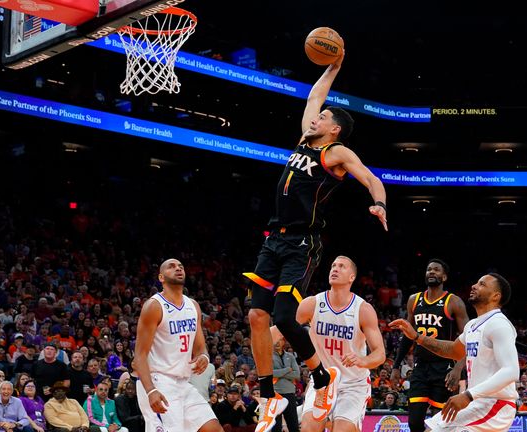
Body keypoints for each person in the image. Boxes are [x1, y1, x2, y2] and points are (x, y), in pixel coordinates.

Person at [243, 51, 388, 432]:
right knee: (256, 316)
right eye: (318, 116)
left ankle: (322, 380)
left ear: (335, 129)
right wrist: (335, 66)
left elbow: (372, 179)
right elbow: (313, 97)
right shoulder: (305, 139)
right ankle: (266, 393)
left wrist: (378, 204)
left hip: (302, 244)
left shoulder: (335, 152)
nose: (316, 117)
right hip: (273, 239)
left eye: (324, 118)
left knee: (285, 317)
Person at [270, 256, 386, 432]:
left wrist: (362, 360)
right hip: (322, 380)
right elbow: (277, 332)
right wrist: (259, 335)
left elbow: (380, 354)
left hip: (353, 384)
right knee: (309, 428)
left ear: (352, 277)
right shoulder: (312, 304)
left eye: (341, 266)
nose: (335, 269)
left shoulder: (363, 309)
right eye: (333, 265)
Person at [390, 273, 517, 432]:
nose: (474, 286)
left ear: (496, 296)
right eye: (477, 282)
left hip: (495, 405)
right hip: (478, 402)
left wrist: (468, 395)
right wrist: (416, 336)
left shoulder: (499, 324)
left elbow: (511, 371)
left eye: (482, 284)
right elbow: (453, 350)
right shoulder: (473, 325)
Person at [134, 258, 223, 432]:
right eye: (172, 267)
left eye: (181, 266)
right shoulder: (154, 306)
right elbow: (140, 355)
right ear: (161, 277)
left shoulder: (193, 306)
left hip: (184, 382)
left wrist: (203, 356)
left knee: (214, 428)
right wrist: (150, 391)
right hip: (159, 381)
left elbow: (199, 347)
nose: (178, 269)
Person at [393, 259, 469, 432]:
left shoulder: (453, 302)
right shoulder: (414, 300)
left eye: (436, 270)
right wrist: (396, 366)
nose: (432, 272)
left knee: (440, 424)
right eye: (429, 270)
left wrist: (458, 369)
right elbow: (407, 336)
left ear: (444, 277)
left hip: (444, 368)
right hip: (420, 368)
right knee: (414, 423)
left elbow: (469, 338)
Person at [272, 336, 300, 432]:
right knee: (276, 426)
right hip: (275, 394)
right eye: (274, 341)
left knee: (294, 425)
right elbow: (270, 373)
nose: (276, 343)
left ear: (283, 342)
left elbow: (296, 374)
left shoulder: (290, 356)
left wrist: (279, 373)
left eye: (279, 340)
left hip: (289, 392)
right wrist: (288, 370)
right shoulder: (267, 355)